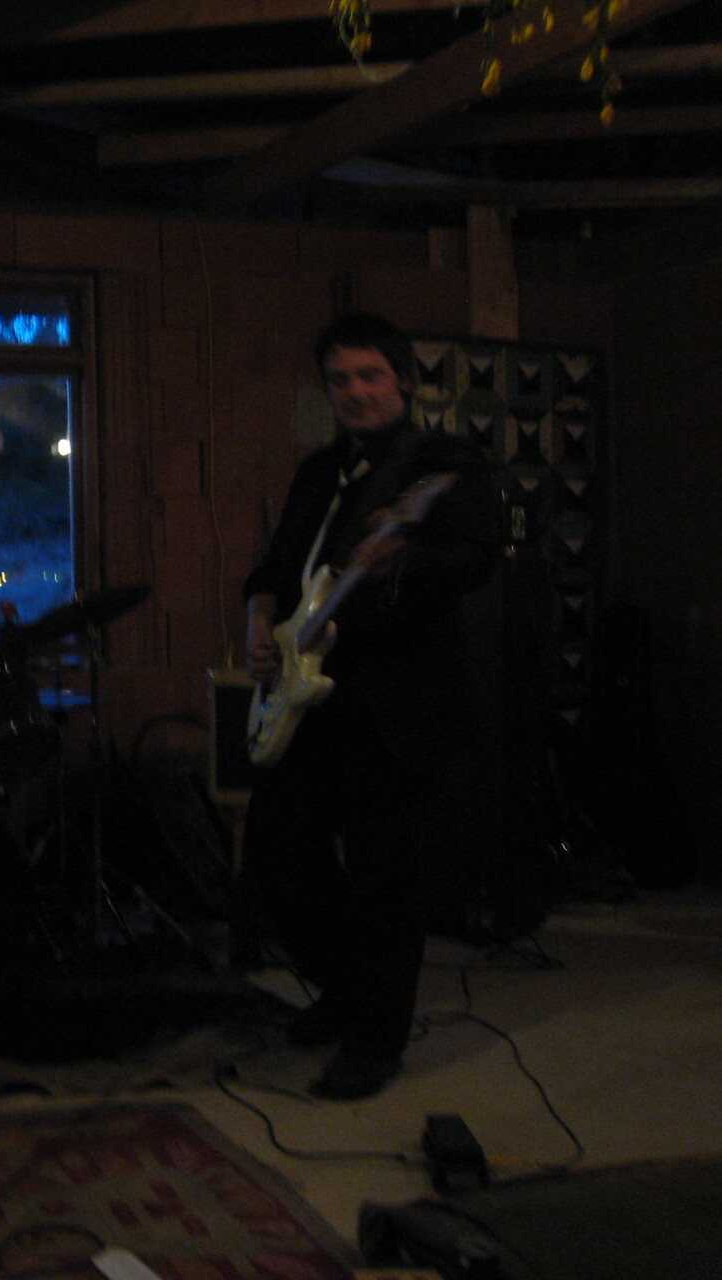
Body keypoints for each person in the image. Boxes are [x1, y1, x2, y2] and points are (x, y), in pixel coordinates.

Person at [241, 312, 501, 1101]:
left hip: (393, 699)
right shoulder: (318, 471)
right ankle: (346, 988)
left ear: (402, 381)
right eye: (339, 379)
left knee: (385, 876)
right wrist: (258, 617)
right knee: (279, 855)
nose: (354, 392)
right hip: (307, 694)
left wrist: (399, 560)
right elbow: (275, 565)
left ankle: (374, 1040)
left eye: (369, 376)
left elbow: (474, 558)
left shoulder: (443, 465)